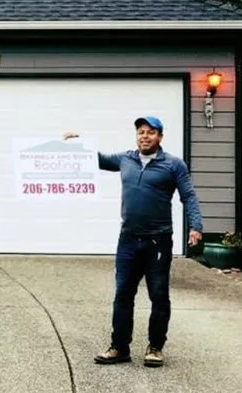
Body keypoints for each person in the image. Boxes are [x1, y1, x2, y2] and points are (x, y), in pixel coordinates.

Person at [63, 116, 203, 367]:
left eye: (150, 132)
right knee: (123, 294)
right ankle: (119, 347)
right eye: (141, 132)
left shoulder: (173, 165)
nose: (145, 136)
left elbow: (189, 196)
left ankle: (155, 347)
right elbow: (98, 159)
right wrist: (77, 144)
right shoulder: (126, 159)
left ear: (160, 137)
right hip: (128, 239)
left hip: (157, 241)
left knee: (158, 295)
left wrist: (196, 226)